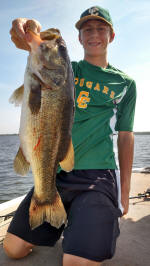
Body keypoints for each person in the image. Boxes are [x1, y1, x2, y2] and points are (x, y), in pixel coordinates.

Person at [3, 6, 136, 266]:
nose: (94, 34)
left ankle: (92, 222)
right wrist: (28, 26)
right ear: (80, 38)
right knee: (13, 249)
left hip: (98, 176)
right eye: (87, 29)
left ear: (112, 35)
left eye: (101, 28)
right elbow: (27, 42)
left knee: (74, 262)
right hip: (59, 173)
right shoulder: (67, 70)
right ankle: (72, 221)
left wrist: (125, 193)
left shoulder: (126, 83)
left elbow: (126, 136)